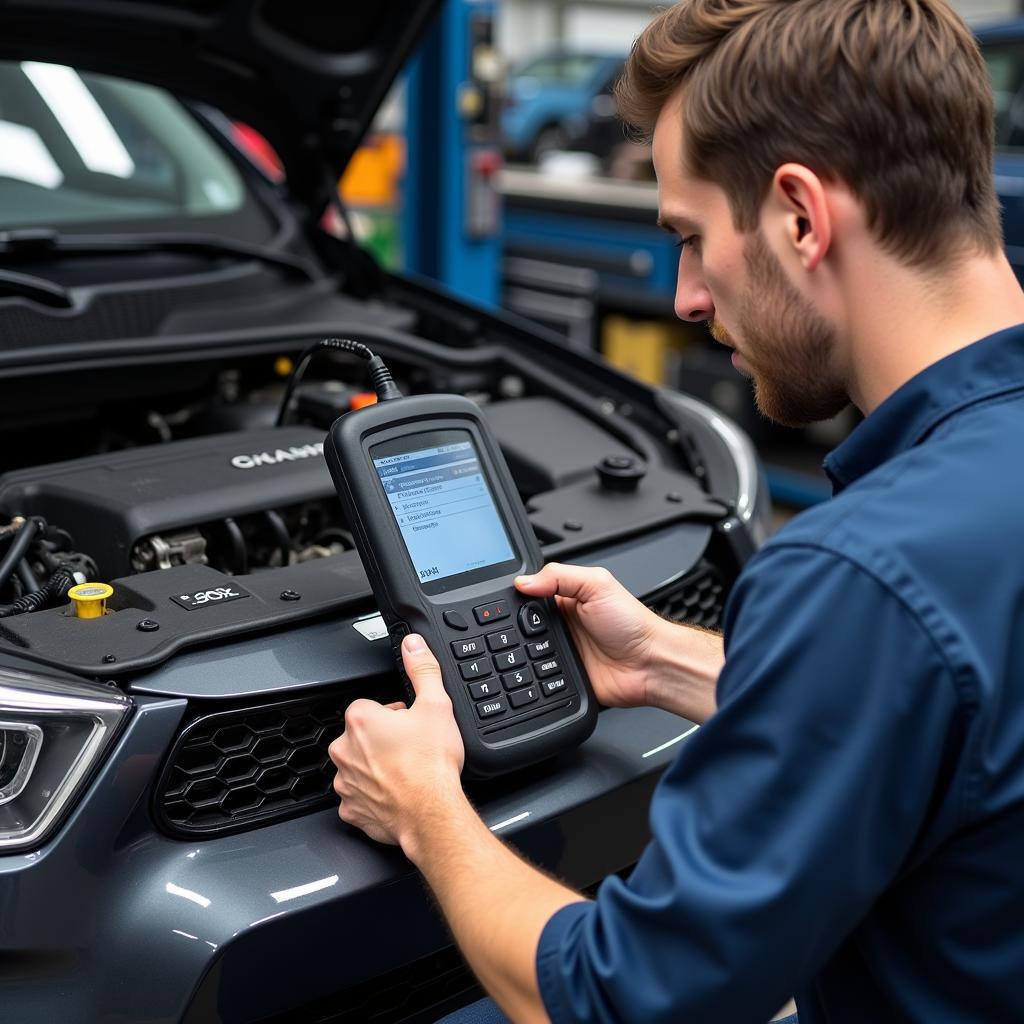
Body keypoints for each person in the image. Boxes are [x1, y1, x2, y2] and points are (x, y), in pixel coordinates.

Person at [328, 0, 1024, 1020]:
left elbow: (624, 999)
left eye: (692, 238)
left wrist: (425, 806)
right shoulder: (930, 548)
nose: (688, 297)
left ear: (799, 215)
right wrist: (662, 660)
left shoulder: (859, 575)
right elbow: (956, 715)